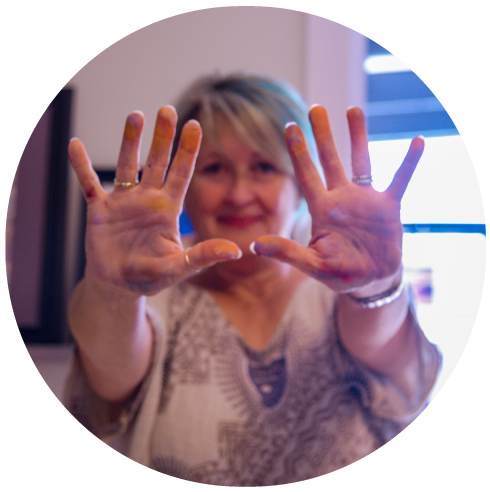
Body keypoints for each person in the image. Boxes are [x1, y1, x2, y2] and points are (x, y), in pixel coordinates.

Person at [65, 73, 441, 485]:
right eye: (214, 168)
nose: (239, 193)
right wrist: (114, 288)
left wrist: (372, 286)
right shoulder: (156, 301)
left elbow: (386, 347)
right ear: (184, 188)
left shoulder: (336, 295)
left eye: (263, 167)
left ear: (300, 187)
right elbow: (109, 369)